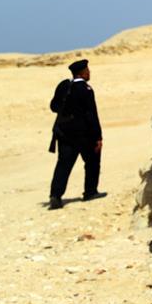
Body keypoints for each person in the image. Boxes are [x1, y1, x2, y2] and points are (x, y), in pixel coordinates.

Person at [48, 59, 106, 209]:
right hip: (84, 134)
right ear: (82, 73)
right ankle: (90, 192)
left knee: (63, 165)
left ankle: (55, 195)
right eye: (87, 71)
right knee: (92, 161)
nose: (89, 73)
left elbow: (53, 107)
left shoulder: (64, 86)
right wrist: (98, 137)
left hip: (64, 133)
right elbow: (91, 114)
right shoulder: (86, 89)